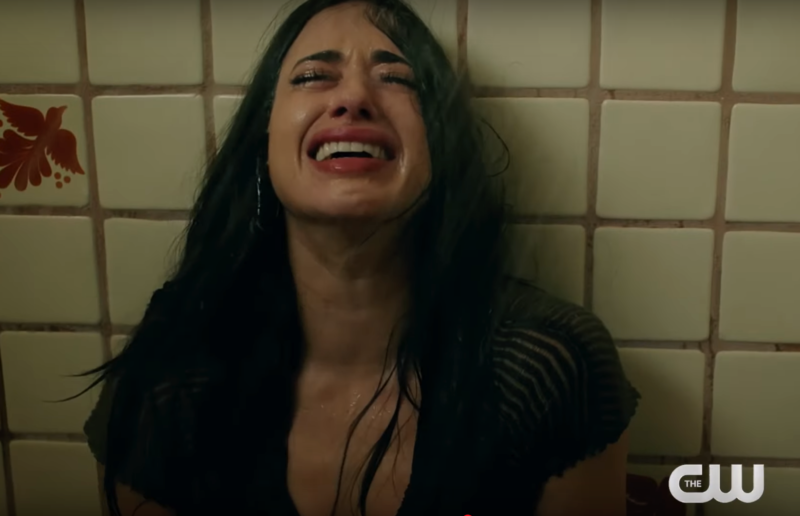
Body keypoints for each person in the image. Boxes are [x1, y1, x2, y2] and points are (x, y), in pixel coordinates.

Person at [82, 0, 640, 515]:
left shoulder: (547, 367)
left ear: (441, 145)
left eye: (397, 78)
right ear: (263, 139)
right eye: (312, 77)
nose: (353, 98)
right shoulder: (172, 373)